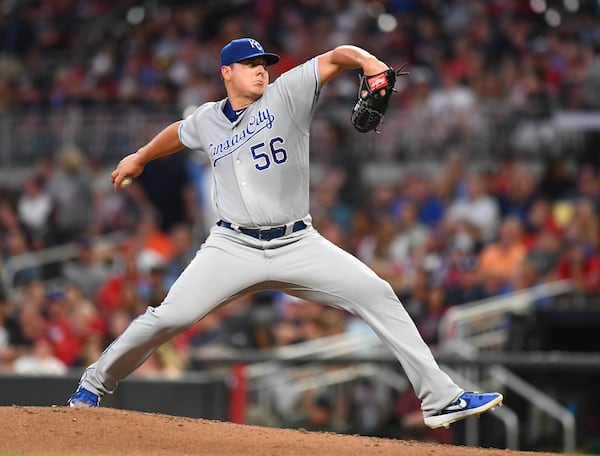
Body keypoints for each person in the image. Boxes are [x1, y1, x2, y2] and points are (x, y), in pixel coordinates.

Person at [68, 37, 502, 430]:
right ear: (227, 73)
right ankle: (94, 384)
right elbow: (177, 135)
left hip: (297, 242)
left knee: (377, 292)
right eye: (251, 64)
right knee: (170, 317)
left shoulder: (287, 93)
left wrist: (369, 63)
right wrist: (140, 157)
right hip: (232, 245)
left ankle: (440, 398)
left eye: (264, 63)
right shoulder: (206, 120)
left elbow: (336, 56)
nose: (262, 70)